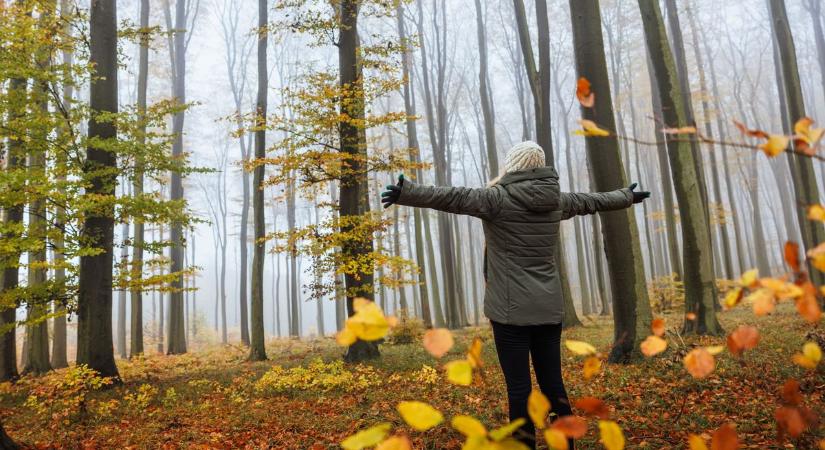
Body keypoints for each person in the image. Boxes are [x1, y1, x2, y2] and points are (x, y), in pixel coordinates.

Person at [380, 141, 650, 449]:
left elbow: (452, 197)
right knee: (552, 384)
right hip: (548, 310)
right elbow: (593, 201)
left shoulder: (496, 198)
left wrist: (407, 193)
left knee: (519, 389)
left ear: (512, 165)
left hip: (510, 314)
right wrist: (626, 197)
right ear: (540, 166)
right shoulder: (556, 200)